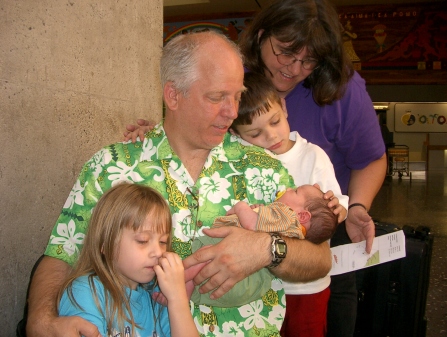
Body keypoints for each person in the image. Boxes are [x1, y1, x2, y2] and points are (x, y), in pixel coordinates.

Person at [26, 30, 338, 337]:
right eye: (216, 97)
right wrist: (41, 322)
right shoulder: (112, 167)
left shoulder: (265, 167)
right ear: (173, 95)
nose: (232, 112)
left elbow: (320, 258)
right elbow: (62, 254)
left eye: (237, 95)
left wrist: (268, 248)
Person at [239, 1, 387, 336]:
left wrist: (357, 207)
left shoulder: (342, 91)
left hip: (322, 236)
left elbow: (371, 158)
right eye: (285, 53)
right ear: (262, 36)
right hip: (251, 243)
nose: (294, 68)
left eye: (309, 60)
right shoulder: (234, 78)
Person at [58, 183, 197, 337]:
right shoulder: (87, 291)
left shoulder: (160, 295)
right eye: (143, 241)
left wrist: (178, 300)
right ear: (105, 243)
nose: (158, 252)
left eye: (163, 242)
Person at [189, 184, 339, 307]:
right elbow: (265, 225)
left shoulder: (287, 214)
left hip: (227, 263)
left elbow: (251, 225)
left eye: (295, 191)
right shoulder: (298, 232)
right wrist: (259, 211)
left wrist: (242, 207)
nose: (287, 189)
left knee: (201, 256)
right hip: (253, 286)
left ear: (302, 216)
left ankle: (181, 284)